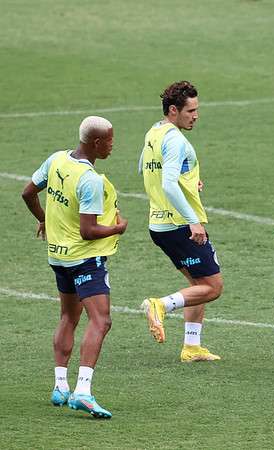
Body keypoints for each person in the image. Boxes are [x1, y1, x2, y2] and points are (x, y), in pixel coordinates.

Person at [21, 116, 127, 418]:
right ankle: (82, 391)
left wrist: (44, 219)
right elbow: (89, 231)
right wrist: (118, 228)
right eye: (109, 139)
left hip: (58, 257)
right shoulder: (90, 180)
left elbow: (28, 193)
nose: (112, 145)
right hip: (84, 259)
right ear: (95, 142)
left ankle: (59, 386)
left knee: (68, 316)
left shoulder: (56, 160)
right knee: (101, 321)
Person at [139, 81, 223, 362]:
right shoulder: (175, 139)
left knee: (196, 285)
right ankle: (159, 305)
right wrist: (193, 221)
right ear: (174, 110)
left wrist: (189, 180)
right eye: (191, 110)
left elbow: (144, 167)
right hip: (179, 225)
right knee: (212, 287)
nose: (196, 115)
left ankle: (191, 346)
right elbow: (168, 184)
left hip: (158, 224)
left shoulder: (154, 132)